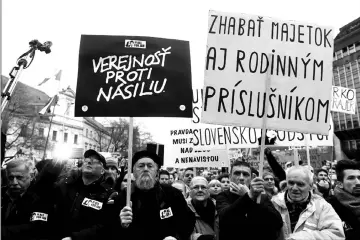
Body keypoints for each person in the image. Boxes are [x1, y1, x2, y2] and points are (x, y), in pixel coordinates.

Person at [116, 150, 195, 240]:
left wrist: (176, 237)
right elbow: (109, 231)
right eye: (141, 166)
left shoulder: (172, 194)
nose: (145, 169)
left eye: (150, 166)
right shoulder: (123, 197)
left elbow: (188, 221)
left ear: (157, 172)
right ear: (133, 172)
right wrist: (120, 224)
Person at [53, 149, 118, 240]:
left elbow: (105, 226)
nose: (89, 162)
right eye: (87, 160)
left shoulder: (108, 194)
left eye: (95, 161)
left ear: (102, 171)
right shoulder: (66, 185)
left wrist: (74, 238)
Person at [272, 166, 345, 240]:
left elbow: (336, 234)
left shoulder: (322, 206)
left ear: (311, 186)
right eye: (291, 183)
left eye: (300, 184)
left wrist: (303, 237)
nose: (294, 188)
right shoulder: (274, 204)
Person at [216, 161, 283, 240]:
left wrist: (249, 196)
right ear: (230, 177)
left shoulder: (261, 197)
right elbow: (225, 219)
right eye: (237, 173)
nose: (241, 178)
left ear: (251, 178)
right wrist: (248, 196)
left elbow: (277, 222)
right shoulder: (223, 196)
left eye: (245, 174)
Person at [1, 157, 54, 240]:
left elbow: (35, 228)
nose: (14, 182)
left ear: (31, 176)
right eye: (11, 178)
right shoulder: (3, 193)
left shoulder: (41, 197)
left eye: (19, 177)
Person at [327, 160, 360, 240]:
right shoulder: (329, 207)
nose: (358, 182)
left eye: (359, 178)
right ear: (340, 184)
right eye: (351, 178)